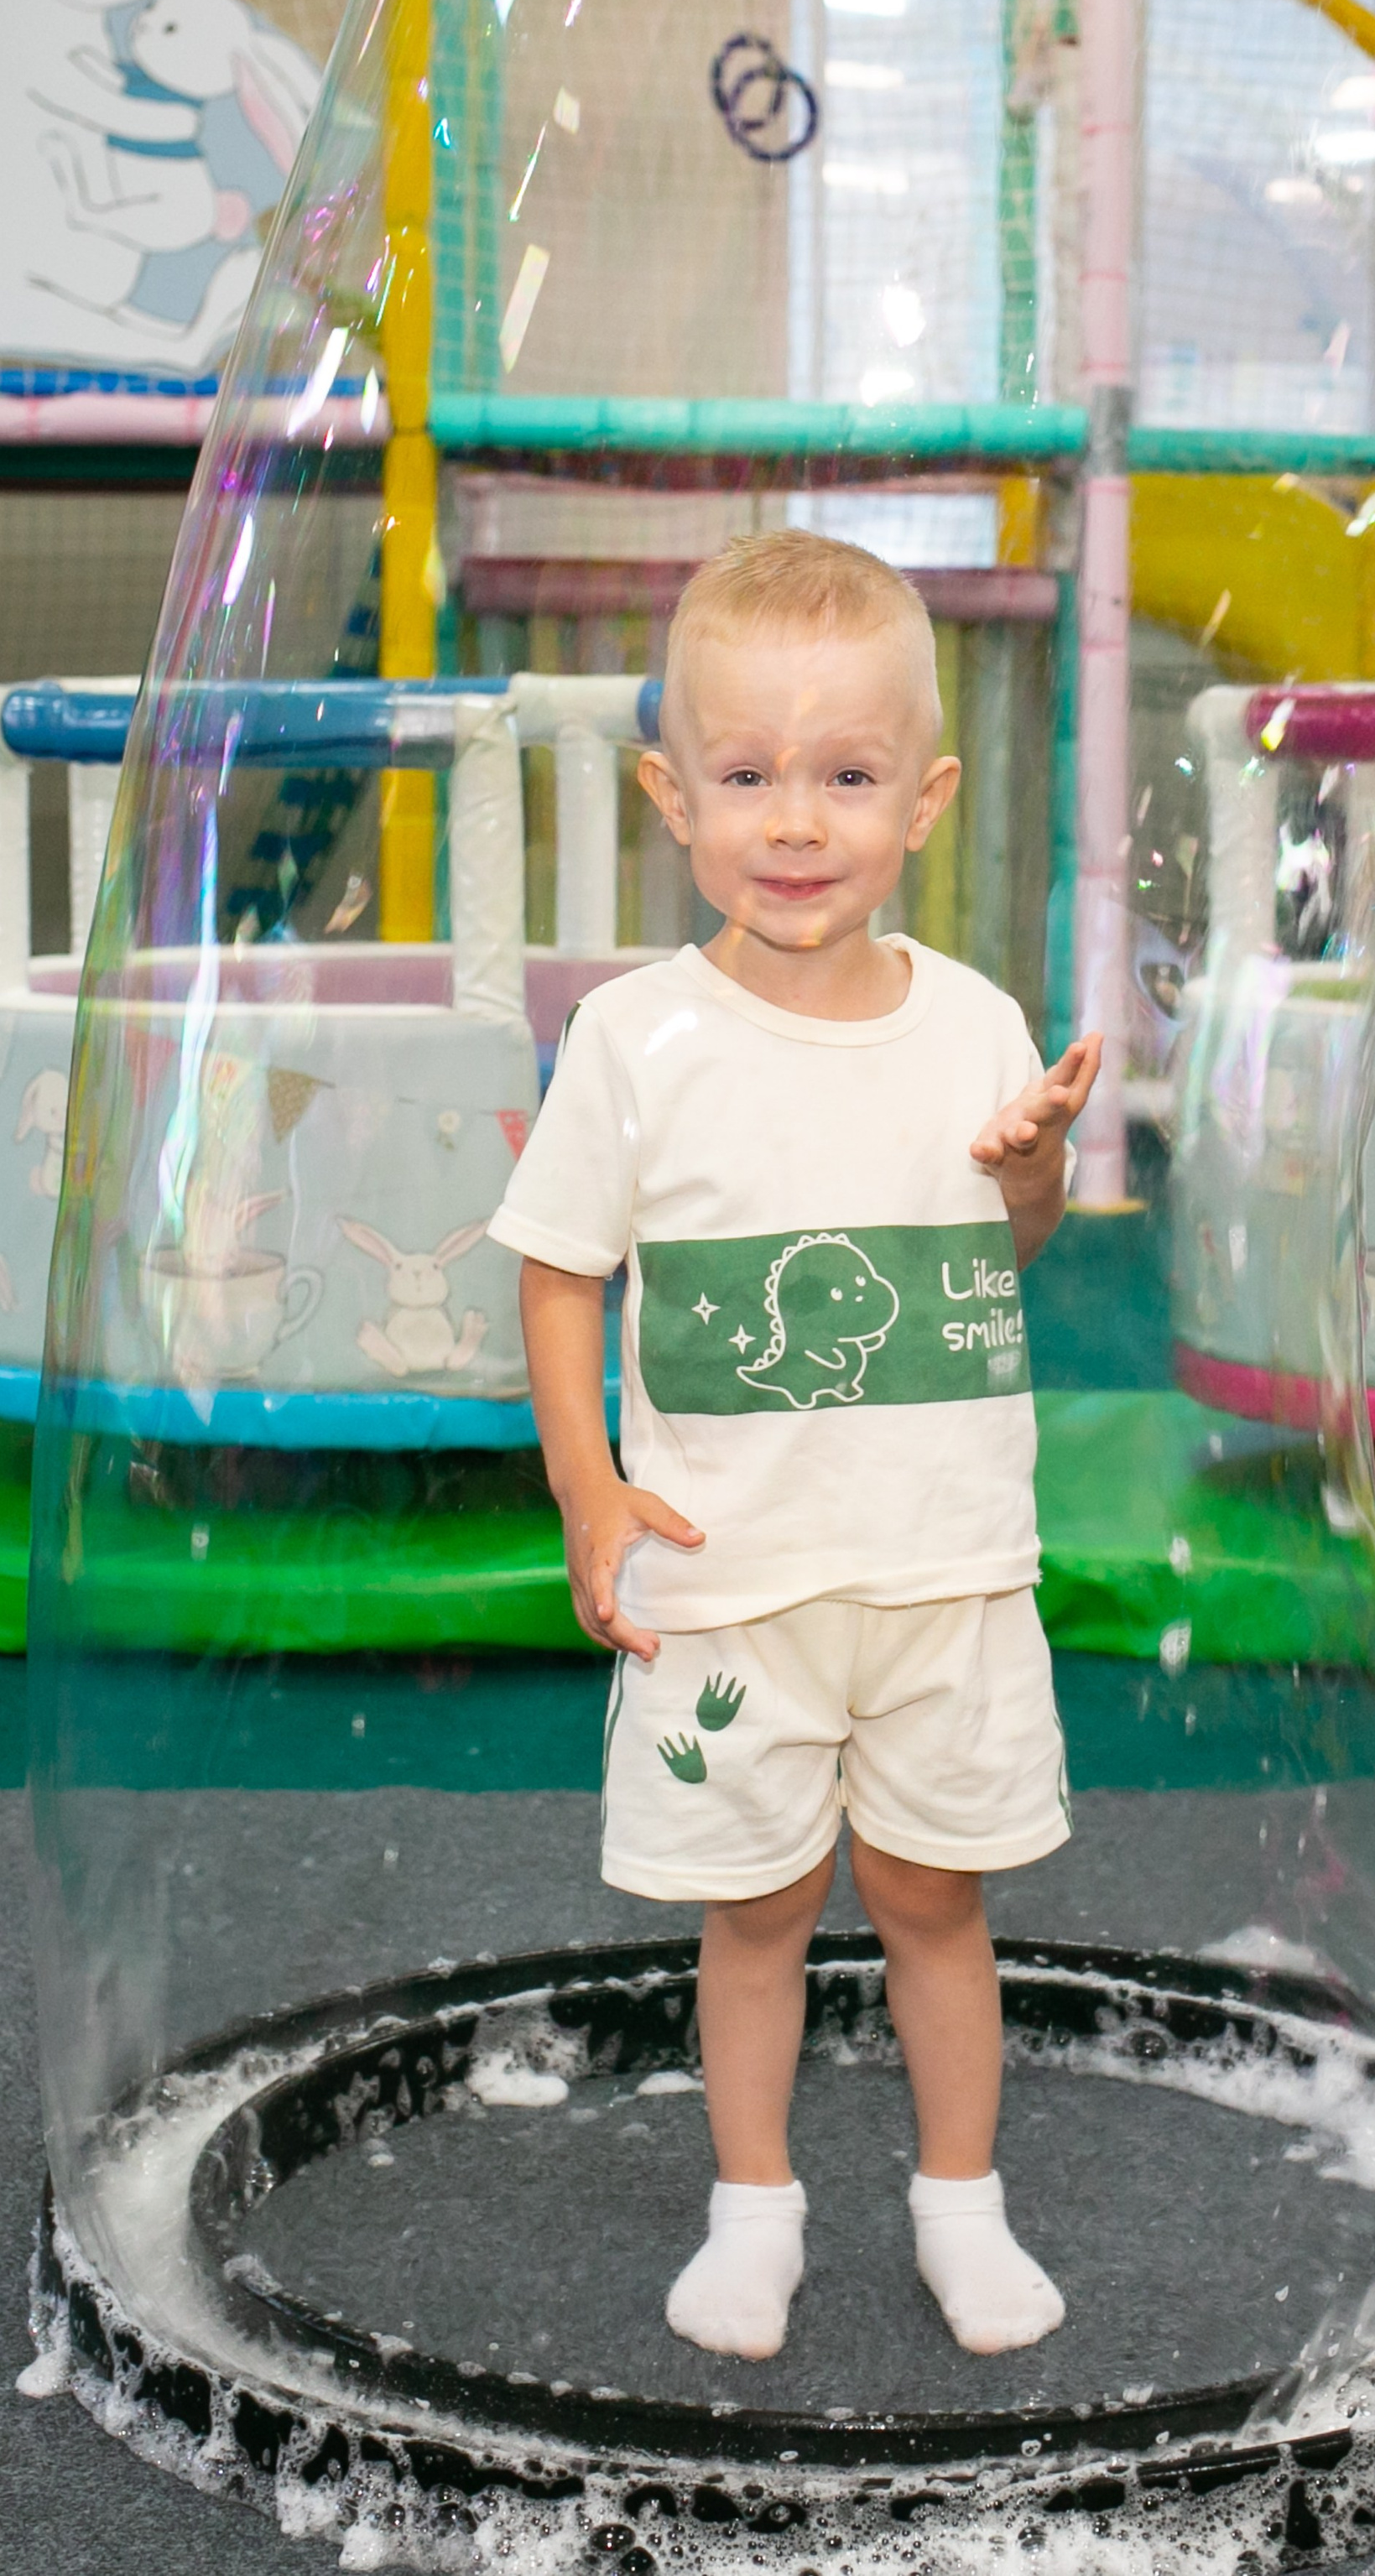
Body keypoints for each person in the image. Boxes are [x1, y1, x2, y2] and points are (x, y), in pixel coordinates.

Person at [492, 530, 1101, 2367]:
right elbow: (556, 1265)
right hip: (732, 1582)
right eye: (746, 774)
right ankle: (750, 2204)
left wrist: (1036, 1172)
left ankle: (958, 2202)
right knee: (751, 1912)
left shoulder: (973, 1019)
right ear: (673, 796)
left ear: (920, 799)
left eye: (842, 777)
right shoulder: (635, 1035)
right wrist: (587, 1485)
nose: (794, 820)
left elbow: (999, 1254)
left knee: (935, 1898)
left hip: (939, 1567)